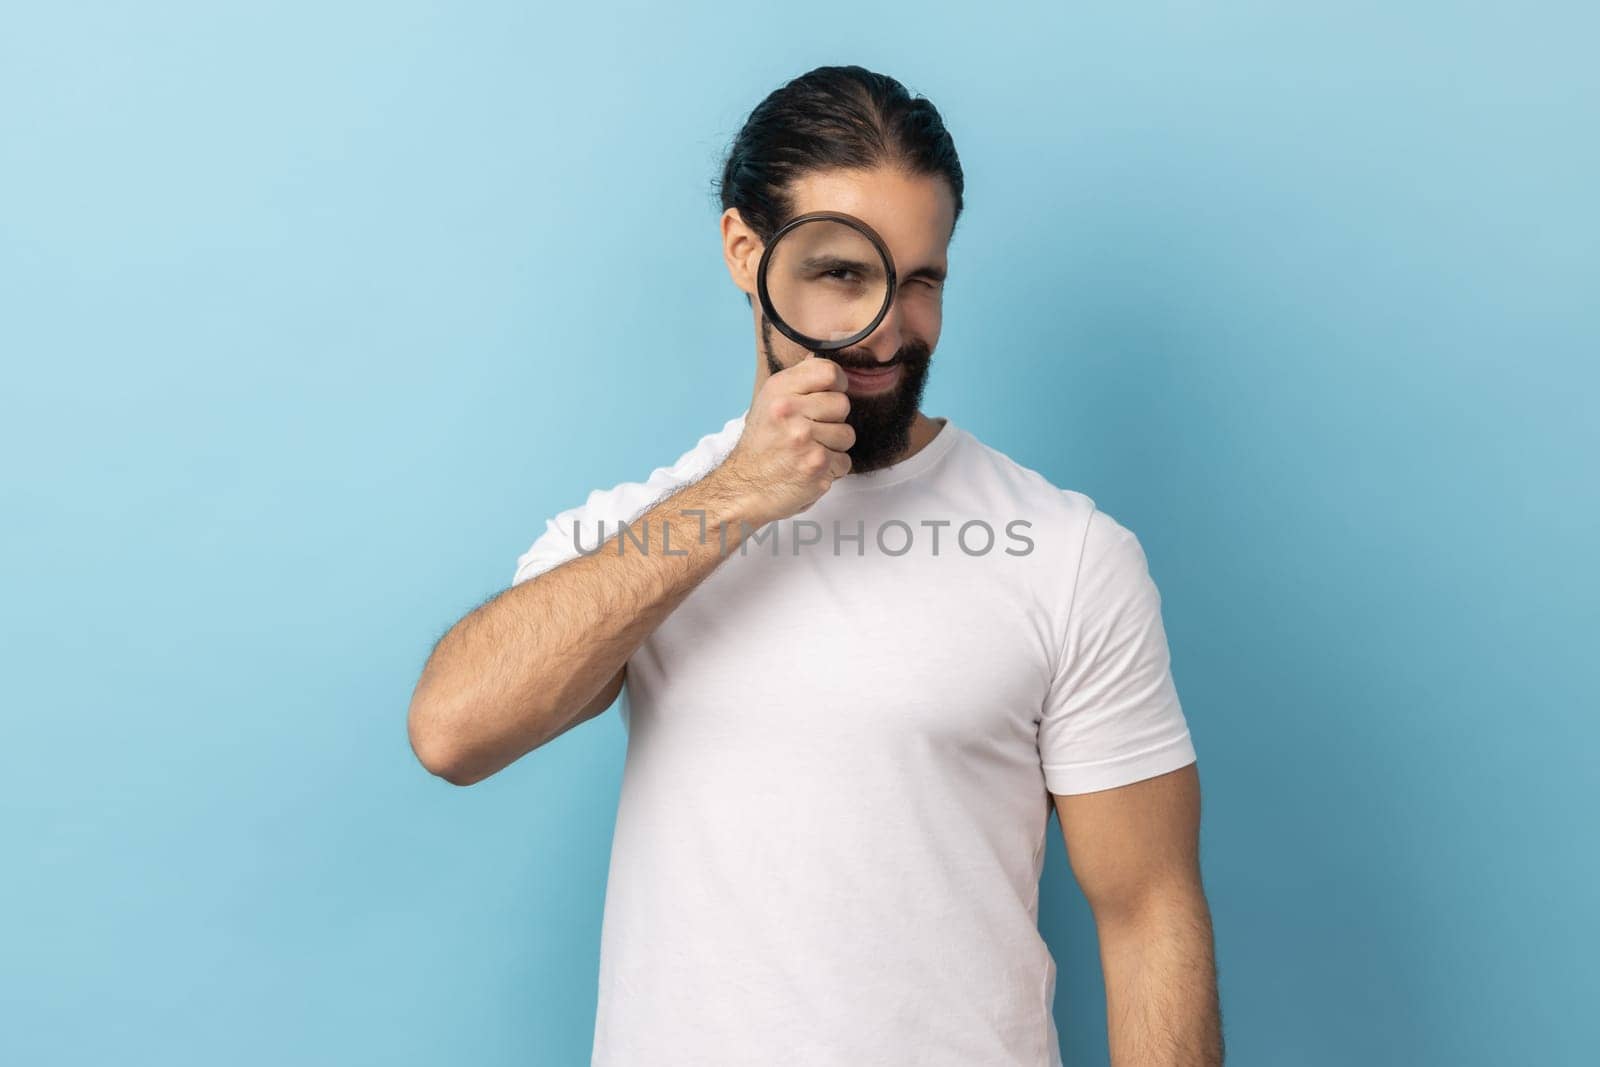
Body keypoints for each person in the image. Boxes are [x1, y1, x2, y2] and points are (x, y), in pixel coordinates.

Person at [408, 64, 1223, 1067]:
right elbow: (453, 730)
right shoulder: (652, 531)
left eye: (923, 279)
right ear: (747, 252)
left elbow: (1148, 914)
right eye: (844, 273)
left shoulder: (1065, 552)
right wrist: (739, 495)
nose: (889, 326)